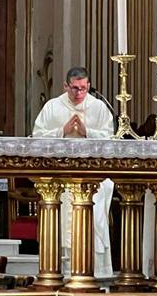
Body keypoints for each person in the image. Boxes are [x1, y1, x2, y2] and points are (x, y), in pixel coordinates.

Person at [32, 66, 114, 278]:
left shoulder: (98, 108)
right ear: (65, 86)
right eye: (74, 88)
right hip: (60, 177)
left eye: (84, 88)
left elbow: (111, 139)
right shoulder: (52, 107)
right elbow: (36, 137)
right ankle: (62, 271)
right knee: (62, 222)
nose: (79, 94)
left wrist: (88, 132)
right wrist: (62, 131)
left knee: (94, 219)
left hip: (93, 177)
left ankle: (95, 271)